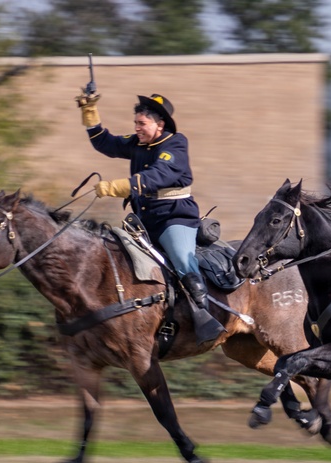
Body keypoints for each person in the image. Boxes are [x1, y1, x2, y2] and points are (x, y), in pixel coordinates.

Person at [75, 90, 224, 342]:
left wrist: (113, 187)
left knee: (181, 259)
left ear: (159, 124)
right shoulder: (138, 142)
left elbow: (158, 176)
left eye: (142, 124)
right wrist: (89, 111)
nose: (137, 128)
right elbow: (104, 143)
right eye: (136, 123)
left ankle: (204, 318)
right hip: (144, 220)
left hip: (174, 217)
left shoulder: (175, 144)